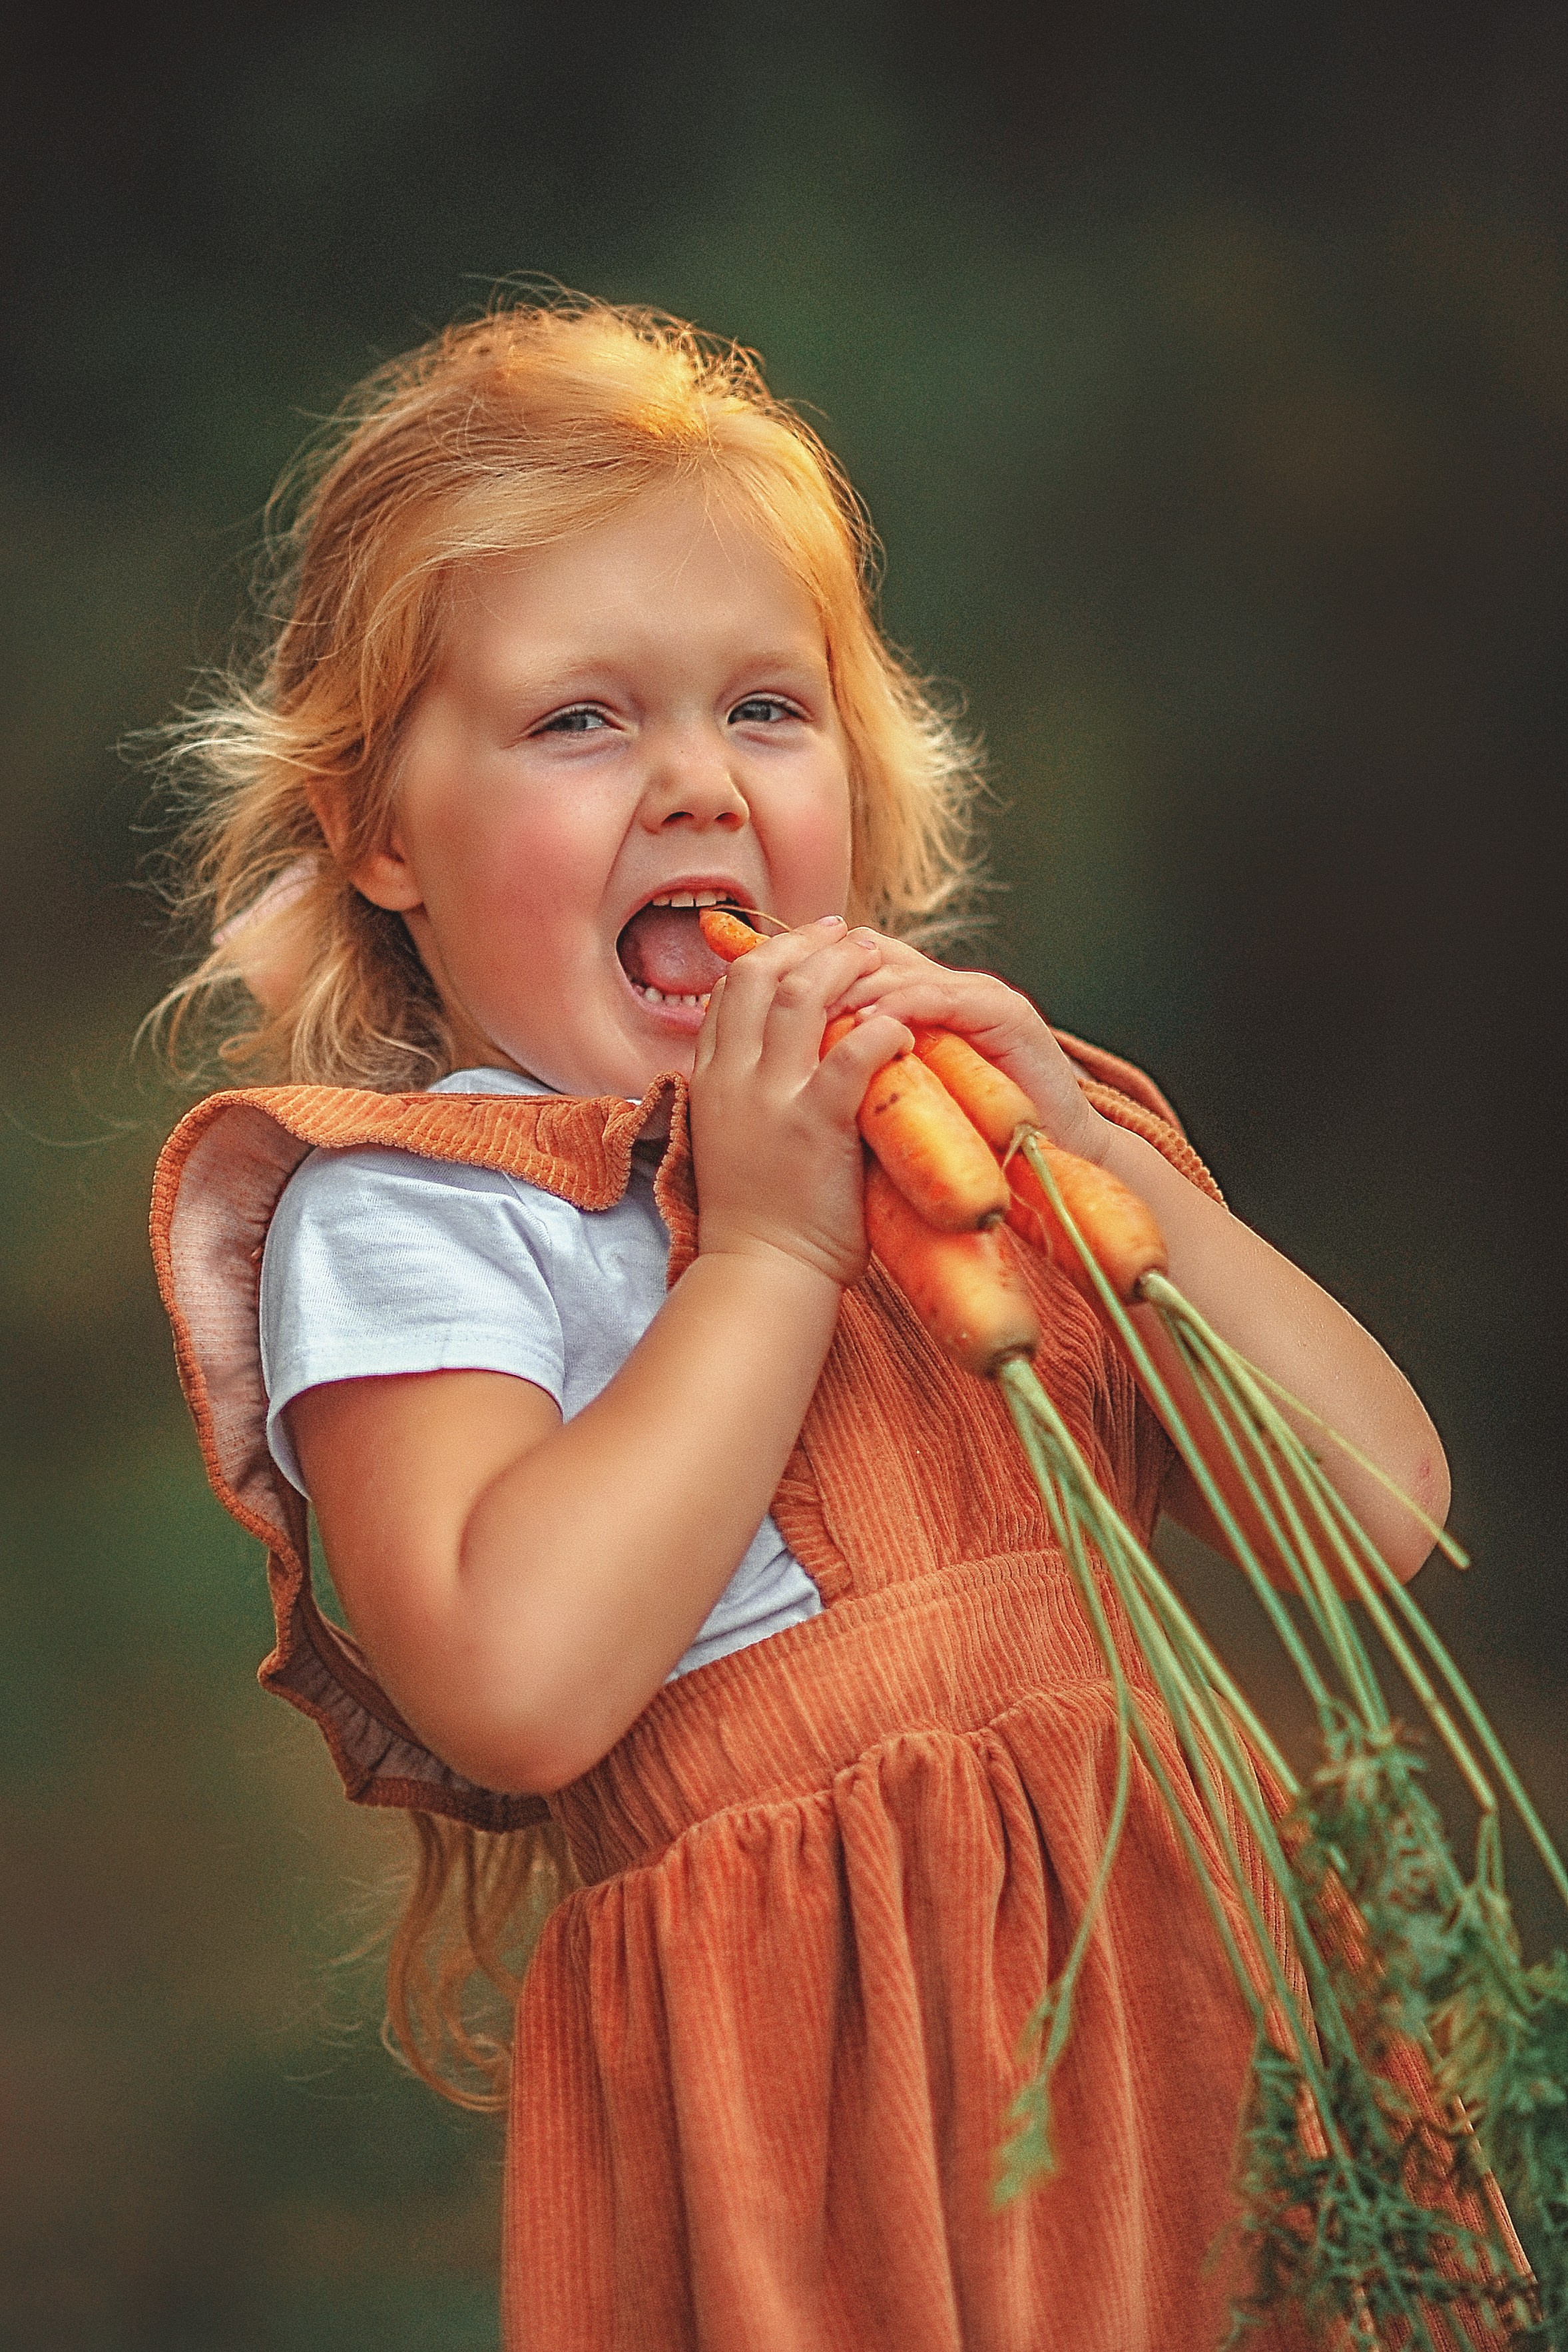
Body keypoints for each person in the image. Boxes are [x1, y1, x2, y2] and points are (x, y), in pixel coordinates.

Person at [149, 298, 1459, 2352]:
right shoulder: (418, 1200)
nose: (692, 780)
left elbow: (1368, 1516)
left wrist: (1083, 1162)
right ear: (378, 832)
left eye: (765, 709)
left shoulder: (964, 1125)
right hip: (834, 2102)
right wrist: (762, 1254)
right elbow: (511, 1678)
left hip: (1190, 2017)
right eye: (581, 721)